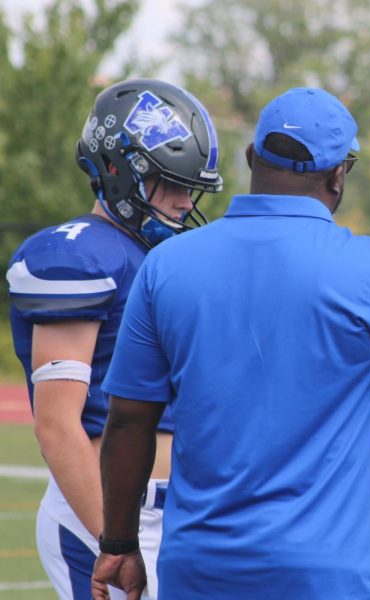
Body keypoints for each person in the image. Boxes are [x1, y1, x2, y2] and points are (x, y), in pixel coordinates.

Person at [89, 88, 370, 600]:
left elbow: (127, 420)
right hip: (326, 576)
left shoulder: (166, 266)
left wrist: (119, 543)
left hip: (200, 568)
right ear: (339, 175)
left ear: (252, 156)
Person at [5, 79, 222, 600]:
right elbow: (57, 426)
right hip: (112, 510)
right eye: (168, 183)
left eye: (189, 187)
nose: (182, 201)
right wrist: (115, 538)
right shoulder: (77, 256)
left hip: (185, 507)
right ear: (118, 172)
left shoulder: (162, 262)